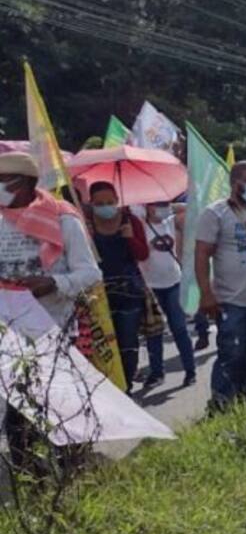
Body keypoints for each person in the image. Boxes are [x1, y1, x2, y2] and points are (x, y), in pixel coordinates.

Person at [0, 153, 102, 474]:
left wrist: (53, 283)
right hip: (12, 338)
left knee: (63, 411)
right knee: (18, 420)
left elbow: (90, 274)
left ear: (26, 183)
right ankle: (36, 484)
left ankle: (73, 474)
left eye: (3, 182)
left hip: (55, 331)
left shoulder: (62, 219)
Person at [195, 161, 246, 411]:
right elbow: (201, 254)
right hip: (231, 301)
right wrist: (206, 294)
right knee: (232, 355)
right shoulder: (215, 213)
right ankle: (221, 406)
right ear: (234, 183)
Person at [86, 182, 149, 392]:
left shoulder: (130, 221)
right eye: (99, 203)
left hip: (129, 292)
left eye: (109, 202)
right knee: (104, 346)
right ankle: (111, 388)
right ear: (91, 203)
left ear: (117, 201)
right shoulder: (85, 224)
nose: (105, 207)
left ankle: (127, 387)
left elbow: (143, 254)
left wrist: (131, 238)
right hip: (98, 295)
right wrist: (87, 239)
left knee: (128, 344)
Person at [141, 200, 197, 388]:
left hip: (174, 282)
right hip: (151, 286)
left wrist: (170, 206)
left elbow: (191, 208)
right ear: (148, 207)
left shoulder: (171, 222)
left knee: (180, 329)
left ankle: (190, 371)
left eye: (164, 203)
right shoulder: (140, 226)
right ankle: (157, 373)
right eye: (158, 204)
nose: (162, 207)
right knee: (154, 333)